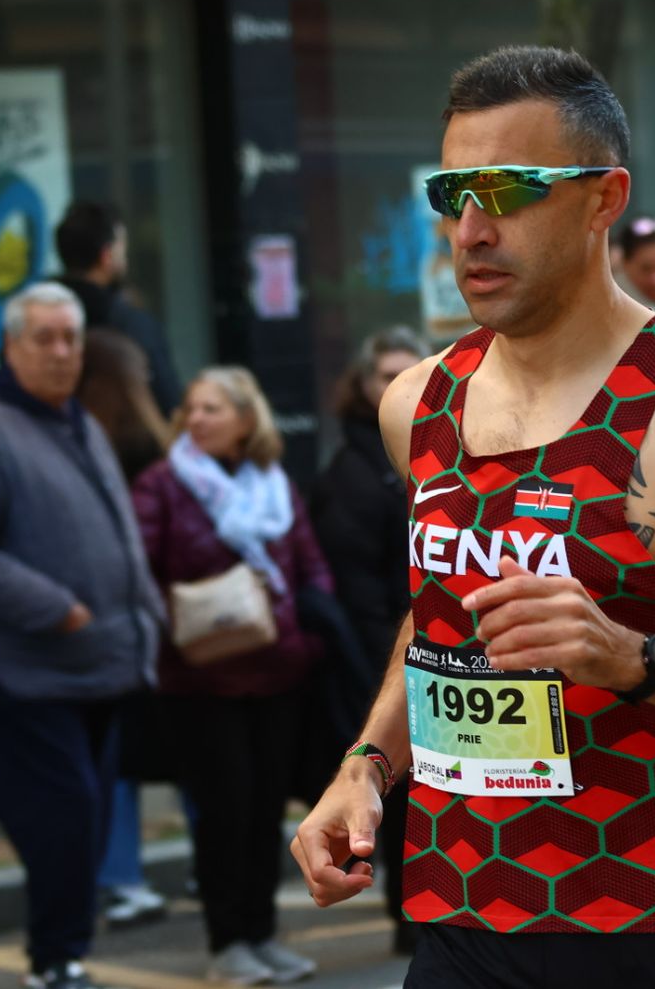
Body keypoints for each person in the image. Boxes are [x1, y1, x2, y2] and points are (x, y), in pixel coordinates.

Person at [290, 45, 655, 988]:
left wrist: (631, 657)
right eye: (452, 194)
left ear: (604, 198)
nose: (471, 230)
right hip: (462, 917)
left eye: (509, 190)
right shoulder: (418, 405)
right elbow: (440, 619)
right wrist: (365, 765)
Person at [0, 282, 163, 989]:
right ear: (11, 346)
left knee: (83, 824)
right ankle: (53, 961)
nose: (63, 352)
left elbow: (118, 528)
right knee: (61, 822)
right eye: (46, 338)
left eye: (72, 338)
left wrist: (144, 608)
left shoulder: (77, 420)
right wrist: (57, 607)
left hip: (99, 664)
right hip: (23, 672)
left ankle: (64, 953)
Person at [131, 366, 332, 985]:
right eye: (190, 409)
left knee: (266, 809)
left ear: (248, 420)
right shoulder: (163, 484)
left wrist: (309, 640)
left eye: (212, 409)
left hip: (277, 675)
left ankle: (262, 934)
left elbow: (309, 565)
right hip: (201, 681)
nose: (195, 419)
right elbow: (139, 572)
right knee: (224, 813)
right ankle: (228, 945)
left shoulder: (274, 484)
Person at [310, 324, 430, 955]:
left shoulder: (440, 445)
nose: (404, 386)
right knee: (393, 802)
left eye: (414, 370)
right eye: (387, 375)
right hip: (380, 664)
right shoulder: (353, 475)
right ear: (364, 388)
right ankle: (410, 917)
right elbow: (359, 595)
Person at [77, 329, 174, 928]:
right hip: (164, 623)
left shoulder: (91, 446)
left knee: (118, 761)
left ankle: (121, 876)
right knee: (182, 751)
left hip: (116, 624)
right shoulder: (157, 447)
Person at [54, 201, 183, 414]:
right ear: (106, 256)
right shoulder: (132, 324)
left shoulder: (30, 321)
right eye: (122, 248)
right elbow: (168, 402)